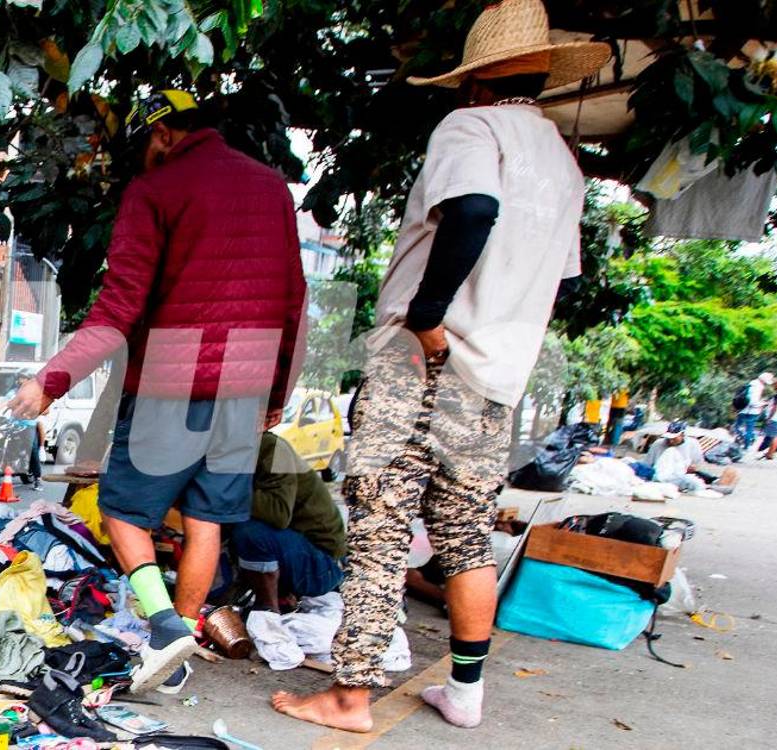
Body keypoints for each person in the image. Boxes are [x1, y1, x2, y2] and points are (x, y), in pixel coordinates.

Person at [271, 0, 608, 732]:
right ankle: (464, 692)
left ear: (474, 80)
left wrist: (425, 317)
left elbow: (474, 210)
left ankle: (349, 695)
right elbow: (561, 273)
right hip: (497, 379)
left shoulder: (470, 128)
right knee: (462, 534)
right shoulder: (561, 159)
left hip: (424, 361)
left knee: (381, 528)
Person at [8, 89, 307, 694]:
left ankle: (166, 627)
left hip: (174, 383)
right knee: (205, 522)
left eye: (142, 146)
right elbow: (294, 300)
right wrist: (276, 391)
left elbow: (119, 307)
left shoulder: (157, 190)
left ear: (163, 134)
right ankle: (179, 657)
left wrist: (51, 380)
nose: (141, 161)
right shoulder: (273, 188)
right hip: (244, 391)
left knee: (121, 510)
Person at [233, 431, 347, 612]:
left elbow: (278, 513)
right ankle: (279, 597)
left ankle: (268, 609)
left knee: (249, 533)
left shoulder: (270, 448)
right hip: (301, 552)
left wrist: (226, 491)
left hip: (323, 565)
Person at [644, 422, 728, 494]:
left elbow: (698, 463)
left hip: (684, 473)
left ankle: (715, 483)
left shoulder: (692, 443)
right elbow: (648, 464)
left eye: (674, 438)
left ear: (682, 435)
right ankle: (709, 486)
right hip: (663, 474)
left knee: (696, 477)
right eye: (669, 438)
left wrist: (692, 467)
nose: (671, 441)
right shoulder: (658, 444)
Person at [735, 372, 774, 450]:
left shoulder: (751, 384)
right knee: (749, 430)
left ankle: (740, 443)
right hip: (751, 411)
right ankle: (746, 446)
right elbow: (753, 402)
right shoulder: (758, 387)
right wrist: (764, 403)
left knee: (738, 427)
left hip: (742, 409)